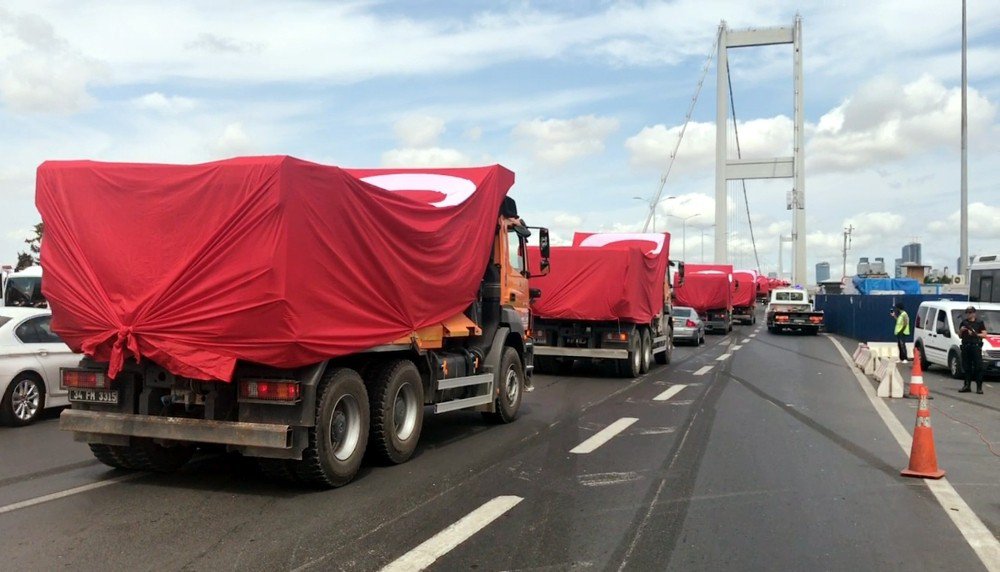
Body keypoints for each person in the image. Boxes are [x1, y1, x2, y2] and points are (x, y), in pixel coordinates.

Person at [958, 306, 987, 394]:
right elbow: (959, 335)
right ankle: (967, 386)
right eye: (967, 313)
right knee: (966, 367)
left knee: (978, 367)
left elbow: (984, 334)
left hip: (975, 346)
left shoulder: (979, 322)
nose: (968, 314)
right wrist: (961, 330)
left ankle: (979, 387)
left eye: (970, 313)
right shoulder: (964, 322)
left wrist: (975, 334)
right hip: (966, 346)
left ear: (974, 313)